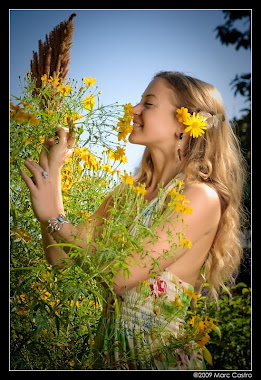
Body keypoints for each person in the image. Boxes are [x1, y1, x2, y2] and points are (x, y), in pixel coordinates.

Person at [21, 71, 246, 370]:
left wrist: (55, 217)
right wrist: (53, 173)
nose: (133, 109)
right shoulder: (128, 192)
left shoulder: (200, 198)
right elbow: (59, 257)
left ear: (184, 123)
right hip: (109, 358)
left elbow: (119, 278)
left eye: (148, 103)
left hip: (155, 360)